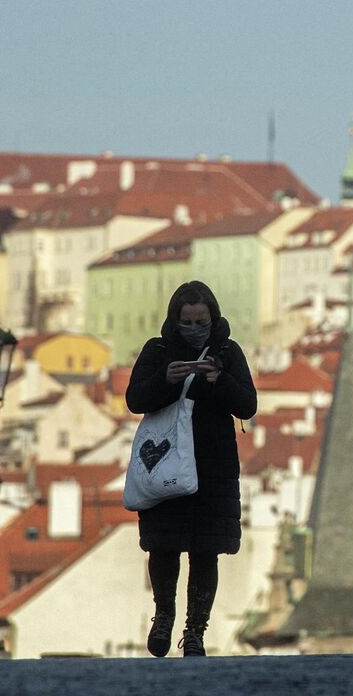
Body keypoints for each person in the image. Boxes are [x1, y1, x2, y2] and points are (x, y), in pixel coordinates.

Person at [126, 281, 257, 657]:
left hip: (212, 465)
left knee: (206, 550)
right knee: (163, 546)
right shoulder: (158, 350)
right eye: (188, 320)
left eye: (201, 320)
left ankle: (195, 630)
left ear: (213, 318)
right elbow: (136, 398)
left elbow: (247, 405)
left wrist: (219, 380)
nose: (195, 326)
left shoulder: (228, 352)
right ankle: (163, 616)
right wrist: (167, 380)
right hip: (165, 458)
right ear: (175, 319)